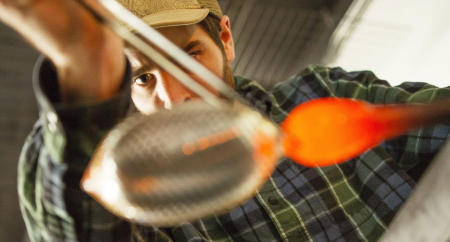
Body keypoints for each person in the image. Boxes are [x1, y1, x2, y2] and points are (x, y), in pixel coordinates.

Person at [0, 0, 448, 241]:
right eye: (142, 77)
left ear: (226, 40)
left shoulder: (320, 96)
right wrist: (86, 66)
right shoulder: (139, 207)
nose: (175, 96)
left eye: (189, 55)